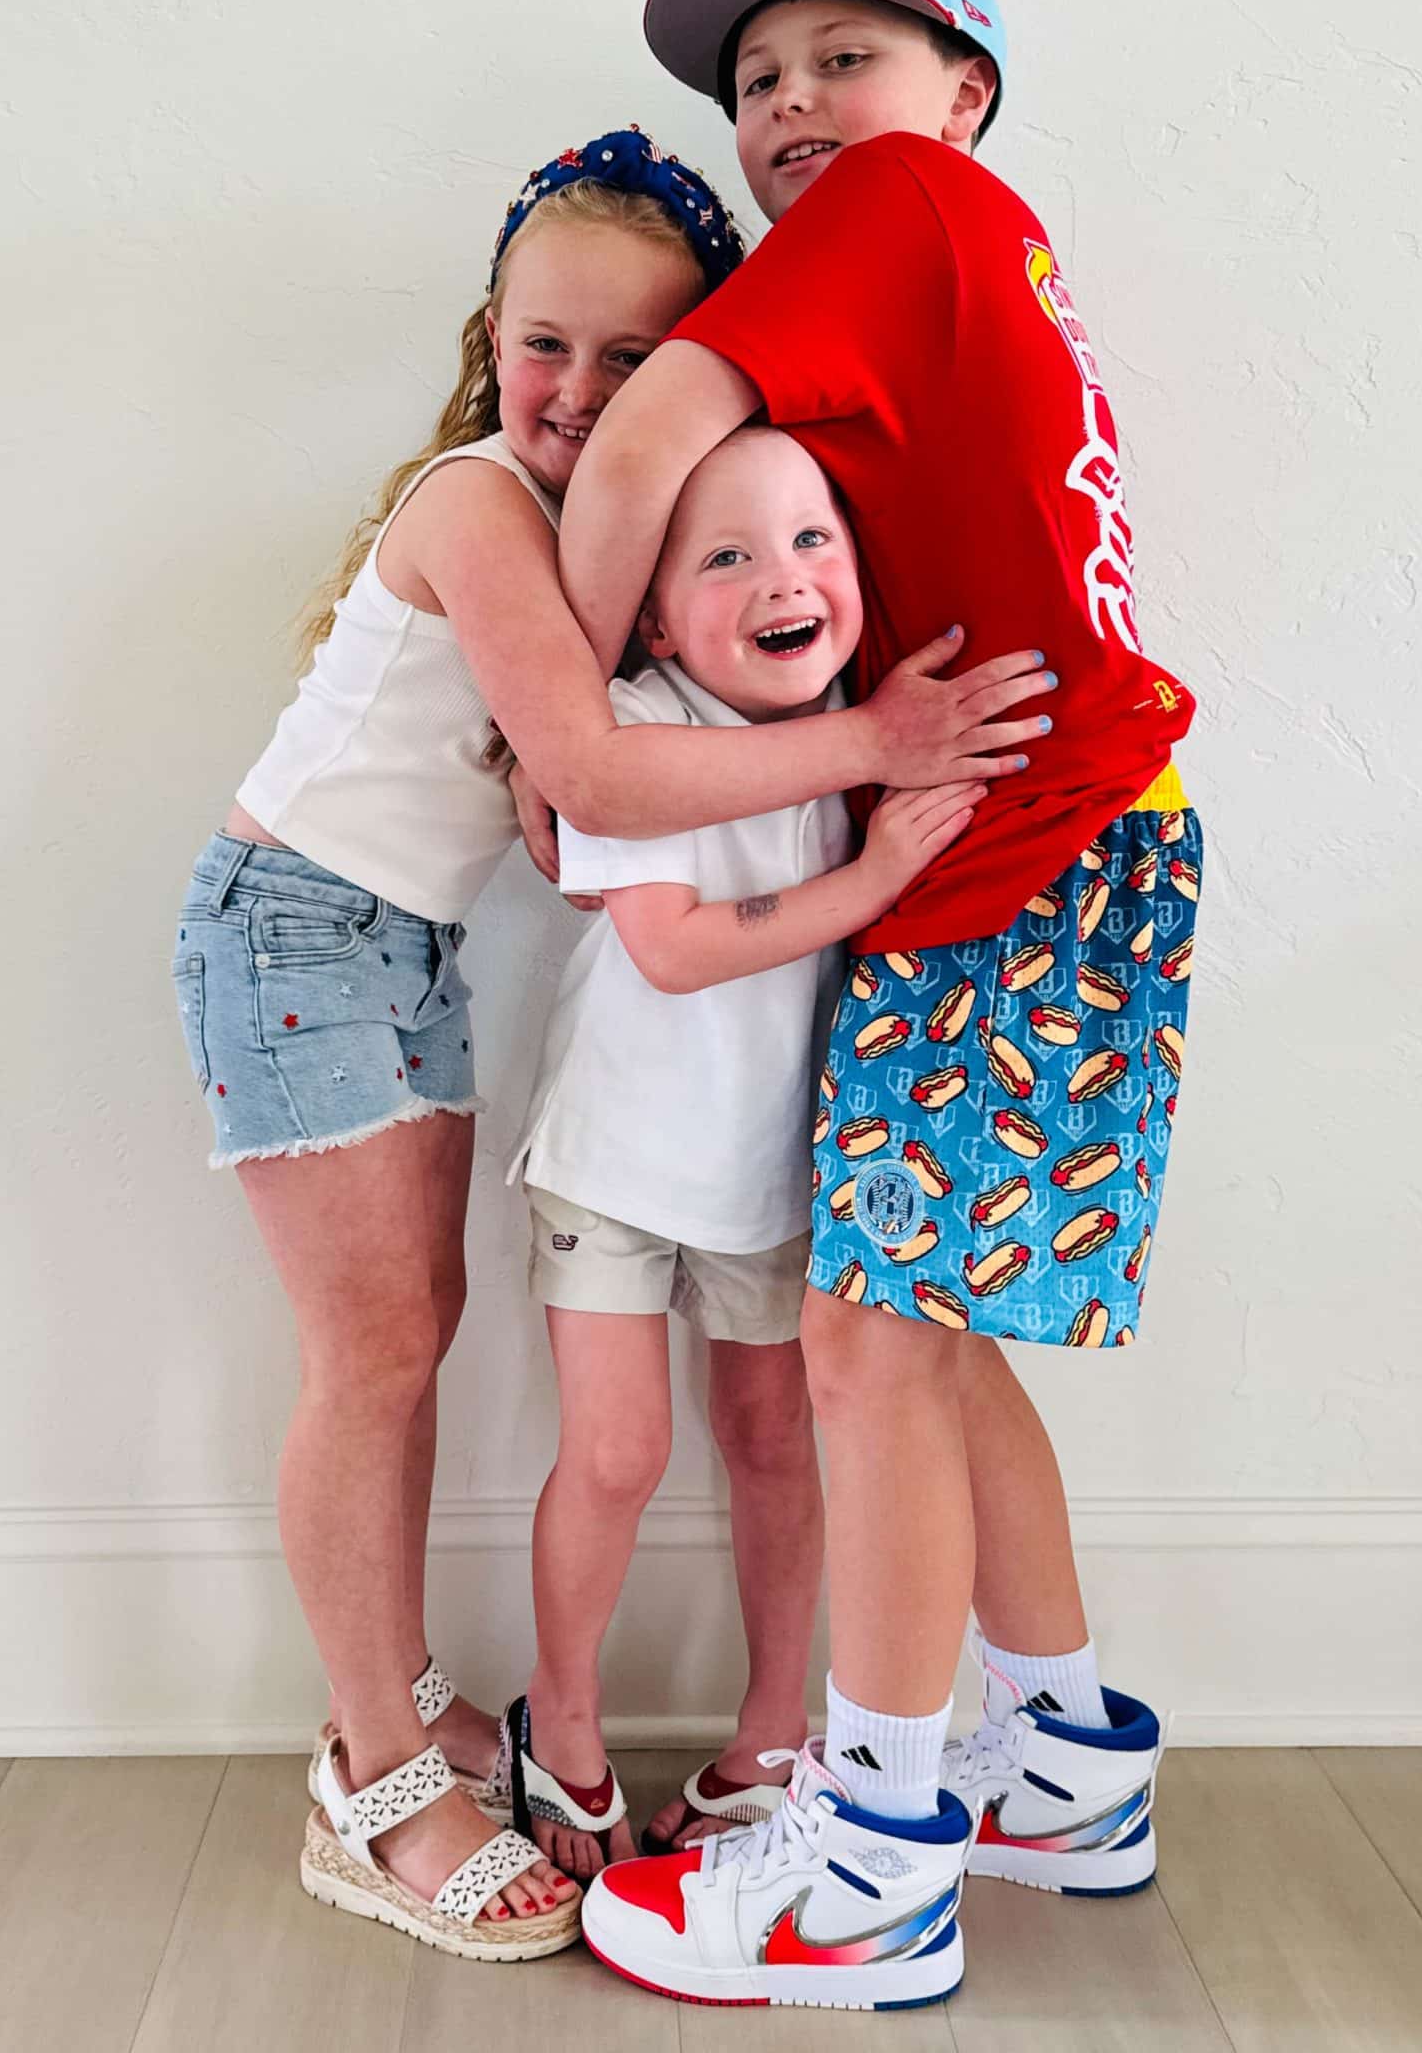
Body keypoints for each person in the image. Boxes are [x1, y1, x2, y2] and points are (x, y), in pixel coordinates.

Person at [171, 126, 1052, 1963]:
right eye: (542, 345)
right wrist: (873, 750)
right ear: (486, 342)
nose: (576, 390)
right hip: (295, 927)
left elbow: (602, 775)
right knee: (373, 1354)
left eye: (632, 358)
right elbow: (587, 770)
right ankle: (373, 1777)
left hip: (394, 944)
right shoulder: (475, 504)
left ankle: (402, 1711)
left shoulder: (612, 533)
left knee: (411, 1337)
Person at [556, 0, 1201, 2011]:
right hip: (1060, 833)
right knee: (927, 1331)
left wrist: (571, 725)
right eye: (757, 82)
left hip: (1027, 837)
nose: (790, 105)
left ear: (963, 95)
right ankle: (1061, 1757)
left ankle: (874, 1864)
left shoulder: (899, 207)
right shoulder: (965, 259)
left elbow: (638, 445)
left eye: (846, 53)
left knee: (872, 1344)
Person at [503, 425, 983, 1882]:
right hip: (614, 1160)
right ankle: (562, 1721)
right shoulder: (629, 734)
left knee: (775, 1445)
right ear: (653, 618)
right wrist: (874, 875)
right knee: (617, 1452)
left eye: (810, 539)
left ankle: (773, 1734)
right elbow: (674, 950)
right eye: (726, 557)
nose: (782, 579)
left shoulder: (868, 721)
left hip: (775, 1175)